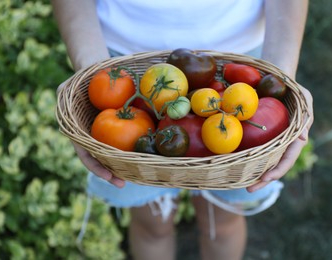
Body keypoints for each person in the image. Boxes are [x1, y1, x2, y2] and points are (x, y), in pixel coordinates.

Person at [52, 1, 313, 259]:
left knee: (222, 224)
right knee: (151, 225)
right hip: (122, 70)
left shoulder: (242, 91)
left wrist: (282, 77)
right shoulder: (130, 97)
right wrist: (90, 76)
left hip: (243, 72)